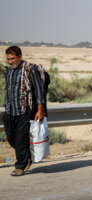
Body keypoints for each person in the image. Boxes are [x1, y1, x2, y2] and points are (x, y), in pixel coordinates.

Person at [3, 46, 45, 176]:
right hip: (10, 110)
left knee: (21, 138)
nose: (10, 62)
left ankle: (20, 166)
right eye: (8, 59)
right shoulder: (9, 71)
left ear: (20, 57)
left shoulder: (30, 70)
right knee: (11, 138)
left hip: (25, 111)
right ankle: (26, 155)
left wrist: (40, 110)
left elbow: (39, 90)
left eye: (13, 58)